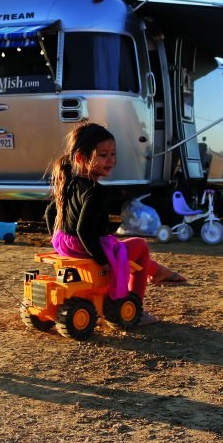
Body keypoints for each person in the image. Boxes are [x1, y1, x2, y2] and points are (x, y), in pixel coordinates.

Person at [44, 123, 185, 326]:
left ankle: (158, 272)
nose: (111, 160)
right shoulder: (96, 191)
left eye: (113, 153)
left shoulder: (70, 182)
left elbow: (50, 212)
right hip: (85, 245)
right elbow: (83, 230)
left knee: (122, 248)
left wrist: (57, 241)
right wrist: (102, 261)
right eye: (103, 155)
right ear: (81, 158)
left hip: (65, 243)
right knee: (139, 246)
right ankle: (135, 306)